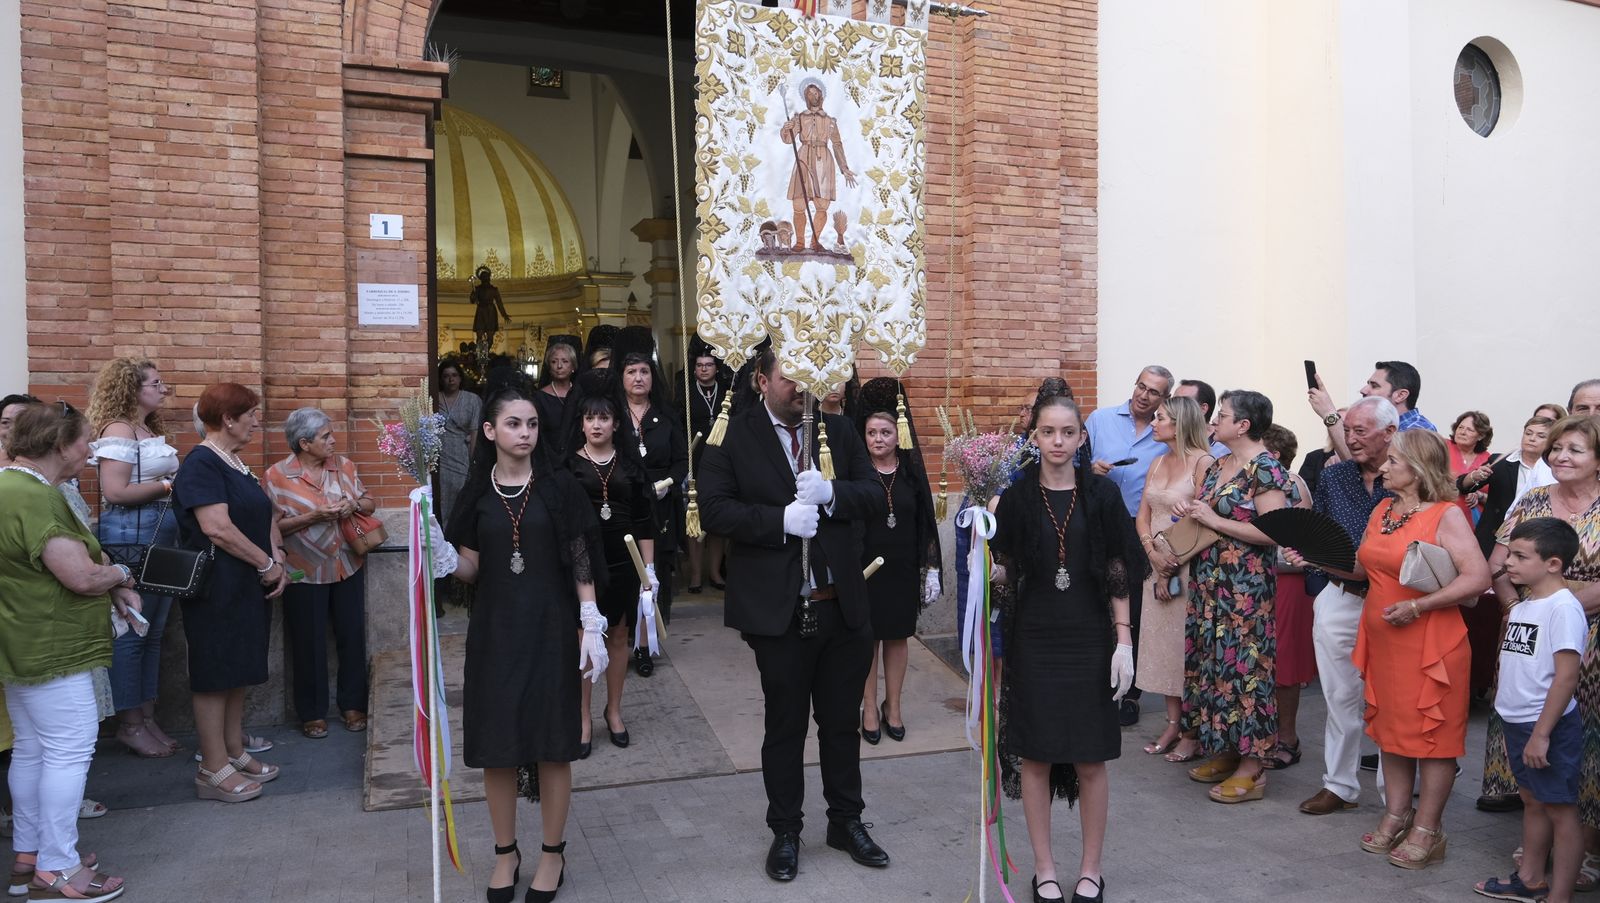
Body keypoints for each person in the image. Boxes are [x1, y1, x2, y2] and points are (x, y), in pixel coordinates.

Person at [697, 346, 889, 883]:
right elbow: (714, 509)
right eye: (789, 377)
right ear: (761, 380)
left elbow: (874, 494)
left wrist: (832, 496)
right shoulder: (731, 435)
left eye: (810, 374)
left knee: (840, 722)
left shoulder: (838, 431)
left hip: (842, 605)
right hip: (779, 611)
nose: (801, 386)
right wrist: (779, 520)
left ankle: (845, 820)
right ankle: (785, 830)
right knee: (785, 725)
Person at [438, 386, 609, 903]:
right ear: (489, 431)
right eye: (513, 424)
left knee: (554, 743)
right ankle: (505, 853)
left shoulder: (558, 486)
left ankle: (552, 853)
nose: (525, 433)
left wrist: (590, 617)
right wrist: (439, 551)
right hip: (495, 632)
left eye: (532, 424)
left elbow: (580, 553)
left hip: (552, 627)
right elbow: (470, 569)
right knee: (499, 746)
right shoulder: (477, 492)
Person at [1297, 430, 1490, 867]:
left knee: (1433, 739)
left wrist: (1419, 606)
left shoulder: (1446, 514)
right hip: (1384, 640)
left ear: (1419, 469)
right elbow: (1360, 570)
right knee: (1392, 734)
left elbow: (1477, 579)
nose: (1383, 467)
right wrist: (1311, 557)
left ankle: (1428, 828)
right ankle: (1395, 815)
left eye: (1394, 462)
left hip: (1431, 643)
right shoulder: (1383, 509)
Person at [989, 393, 1142, 903]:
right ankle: (1045, 868)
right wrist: (983, 554)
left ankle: (1091, 869)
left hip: (1090, 641)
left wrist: (1124, 640)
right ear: (1035, 438)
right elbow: (1005, 569)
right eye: (1048, 432)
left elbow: (1120, 569)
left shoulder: (1100, 496)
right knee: (1035, 756)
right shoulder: (1015, 500)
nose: (1057, 441)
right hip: (1033, 641)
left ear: (1081, 438)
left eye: (1067, 432)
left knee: (1090, 759)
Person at [0, 402, 138, 901]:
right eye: (85, 440)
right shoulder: (37, 497)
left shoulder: (7, 486)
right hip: (54, 643)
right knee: (67, 752)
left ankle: (31, 855)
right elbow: (79, 577)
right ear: (60, 445)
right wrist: (121, 575)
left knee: (35, 750)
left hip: (23, 642)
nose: (92, 450)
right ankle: (57, 867)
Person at [1484, 415, 1600, 889]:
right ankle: (1536, 857)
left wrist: (1555, 603)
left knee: (1581, 745)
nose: (1561, 457)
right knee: (1533, 745)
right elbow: (1498, 564)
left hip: (1589, 641)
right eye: (1556, 448)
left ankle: (1582, 849)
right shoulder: (1531, 500)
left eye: (1575, 449)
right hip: (1528, 638)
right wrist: (1516, 608)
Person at [1171, 389, 1297, 804]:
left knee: (1244, 673)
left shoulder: (1267, 471)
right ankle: (1225, 750)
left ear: (1243, 426)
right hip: (1209, 585)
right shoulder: (1220, 464)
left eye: (1221, 416)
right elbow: (1208, 514)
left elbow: (1276, 533)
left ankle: (1252, 768)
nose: (1214, 423)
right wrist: (1193, 514)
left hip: (1245, 592)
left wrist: (1214, 520)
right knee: (1213, 668)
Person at [174, 383, 288, 803]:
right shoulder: (202, 464)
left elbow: (262, 516)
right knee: (215, 672)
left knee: (238, 668)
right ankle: (212, 767)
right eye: (252, 414)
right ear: (228, 419)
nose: (257, 421)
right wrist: (266, 563)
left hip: (243, 584)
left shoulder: (234, 463)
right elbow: (216, 527)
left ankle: (234, 751)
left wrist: (275, 556)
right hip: (216, 587)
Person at [1473, 518, 1587, 903]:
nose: (1509, 564)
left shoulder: (1563, 609)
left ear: (1553, 563)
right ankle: (1531, 878)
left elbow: (1566, 677)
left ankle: (1560, 895)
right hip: (1518, 724)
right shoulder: (1524, 606)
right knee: (1533, 801)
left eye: (1520, 557)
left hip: (1547, 727)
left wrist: (1541, 734)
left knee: (1560, 810)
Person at [1296, 397, 1397, 816]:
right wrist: (1315, 570)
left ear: (1390, 433)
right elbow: (1319, 527)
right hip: (1340, 595)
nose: (1350, 439)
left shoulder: (1411, 478)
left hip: (1394, 601)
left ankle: (1395, 797)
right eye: (1348, 430)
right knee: (1339, 695)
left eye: (1360, 431)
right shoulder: (1334, 476)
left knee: (1391, 699)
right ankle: (1339, 785)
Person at [81, 359, 181, 758]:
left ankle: (147, 715)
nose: (164, 388)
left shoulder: (146, 428)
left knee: (153, 632)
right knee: (133, 633)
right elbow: (116, 492)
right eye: (156, 383)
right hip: (132, 536)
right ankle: (130, 724)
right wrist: (169, 484)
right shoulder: (119, 430)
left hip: (158, 533)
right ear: (131, 388)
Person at [262, 407, 374, 739]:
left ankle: (353, 704)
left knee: (352, 635)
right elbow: (273, 528)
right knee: (307, 642)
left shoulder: (344, 466)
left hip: (346, 563)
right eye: (326, 436)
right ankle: (311, 712)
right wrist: (313, 517)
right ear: (305, 443)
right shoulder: (276, 476)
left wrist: (353, 505)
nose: (333, 440)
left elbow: (369, 502)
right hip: (303, 570)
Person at [1085, 364, 1174, 726]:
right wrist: (1089, 470)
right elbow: (1071, 462)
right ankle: (1095, 681)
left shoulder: (1165, 431)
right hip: (1094, 522)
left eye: (1153, 392)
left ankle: (1130, 693)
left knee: (1134, 607)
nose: (1143, 395)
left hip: (1139, 528)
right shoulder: (1100, 419)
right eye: (1141, 386)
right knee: (1094, 599)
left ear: (1163, 398)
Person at [568, 393, 655, 757]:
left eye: (604, 418)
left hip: (624, 561)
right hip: (583, 564)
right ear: (582, 424)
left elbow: (646, 520)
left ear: (616, 424)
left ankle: (614, 711)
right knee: (585, 642)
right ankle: (583, 717)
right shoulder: (568, 467)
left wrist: (648, 573)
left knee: (619, 638)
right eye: (590, 418)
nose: (597, 425)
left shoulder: (631, 466)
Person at [855, 379, 940, 745]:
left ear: (898, 433)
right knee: (868, 639)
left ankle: (894, 706)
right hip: (866, 569)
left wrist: (931, 566)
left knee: (897, 636)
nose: (878, 439)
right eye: (872, 432)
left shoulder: (909, 473)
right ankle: (869, 708)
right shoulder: (857, 473)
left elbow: (925, 522)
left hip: (902, 568)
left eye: (885, 432)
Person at [1131, 395, 1212, 759]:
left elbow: (1205, 516)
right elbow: (1142, 515)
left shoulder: (1204, 463)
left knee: (1185, 646)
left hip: (1189, 564)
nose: (1153, 423)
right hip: (1156, 562)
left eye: (1160, 417)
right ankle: (1173, 722)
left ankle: (1193, 730)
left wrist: (1172, 562)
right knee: (1161, 646)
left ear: (1179, 423)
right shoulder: (1158, 460)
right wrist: (1153, 556)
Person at [611, 327, 687, 677]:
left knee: (652, 578)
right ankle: (618, 640)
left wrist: (667, 484)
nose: (638, 378)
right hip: (622, 505)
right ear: (621, 377)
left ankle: (644, 645)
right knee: (623, 575)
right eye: (631, 372)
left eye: (644, 372)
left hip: (659, 507)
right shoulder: (611, 416)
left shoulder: (668, 417)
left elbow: (682, 459)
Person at [1262, 424, 1315, 772]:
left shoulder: (1293, 485)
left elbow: (1305, 540)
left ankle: (1288, 738)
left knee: (1285, 664)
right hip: (1257, 579)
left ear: (1275, 456)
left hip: (1287, 581)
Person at [677, 336, 731, 594]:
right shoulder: (685, 392)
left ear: (716, 368)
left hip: (721, 462)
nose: (704, 369)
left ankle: (715, 572)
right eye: (699, 365)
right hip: (694, 461)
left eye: (708, 365)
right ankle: (696, 574)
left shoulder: (727, 391)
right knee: (694, 521)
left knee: (718, 520)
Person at [1308, 360, 1434, 461]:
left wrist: (1329, 414)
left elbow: (1367, 470)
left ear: (1400, 395)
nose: (1363, 390)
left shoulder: (1417, 431)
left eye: (1374, 385)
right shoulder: (1383, 425)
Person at [436, 359, 482, 524]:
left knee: (462, 497)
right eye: (446, 376)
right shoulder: (434, 398)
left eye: (454, 375)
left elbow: (475, 430)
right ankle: (444, 539)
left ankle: (460, 539)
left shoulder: (472, 400)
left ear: (461, 378)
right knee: (442, 499)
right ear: (440, 379)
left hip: (462, 454)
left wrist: (472, 461)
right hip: (440, 456)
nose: (451, 379)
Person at [532, 335, 580, 462]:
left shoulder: (581, 394)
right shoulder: (540, 397)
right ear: (549, 366)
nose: (559, 366)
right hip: (549, 459)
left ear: (573, 366)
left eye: (565, 361)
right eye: (554, 361)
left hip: (579, 460)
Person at [1447, 411, 1493, 520]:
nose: (1462, 432)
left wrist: (1479, 496)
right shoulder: (1441, 447)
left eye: (1469, 430)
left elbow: (1495, 501)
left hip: (1473, 524)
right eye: (1460, 427)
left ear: (1481, 436)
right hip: (1442, 517)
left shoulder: (1489, 460)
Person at [1172, 378, 1229, 458]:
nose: (1172, 406)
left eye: (1182, 402)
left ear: (1203, 408)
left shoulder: (1223, 447)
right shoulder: (1166, 435)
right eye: (1172, 401)